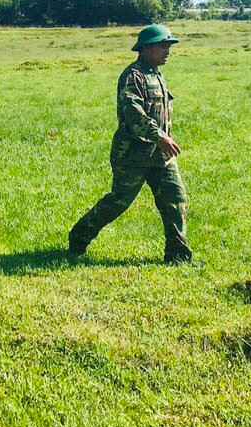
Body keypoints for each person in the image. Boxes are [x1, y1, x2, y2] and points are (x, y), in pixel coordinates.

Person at [67, 23, 193, 264]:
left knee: (175, 199)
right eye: (162, 46)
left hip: (161, 156)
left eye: (169, 46)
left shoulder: (156, 74)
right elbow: (133, 113)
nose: (167, 51)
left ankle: (178, 255)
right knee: (118, 202)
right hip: (133, 156)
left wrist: (161, 141)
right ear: (145, 48)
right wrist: (160, 136)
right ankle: (79, 237)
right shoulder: (133, 75)